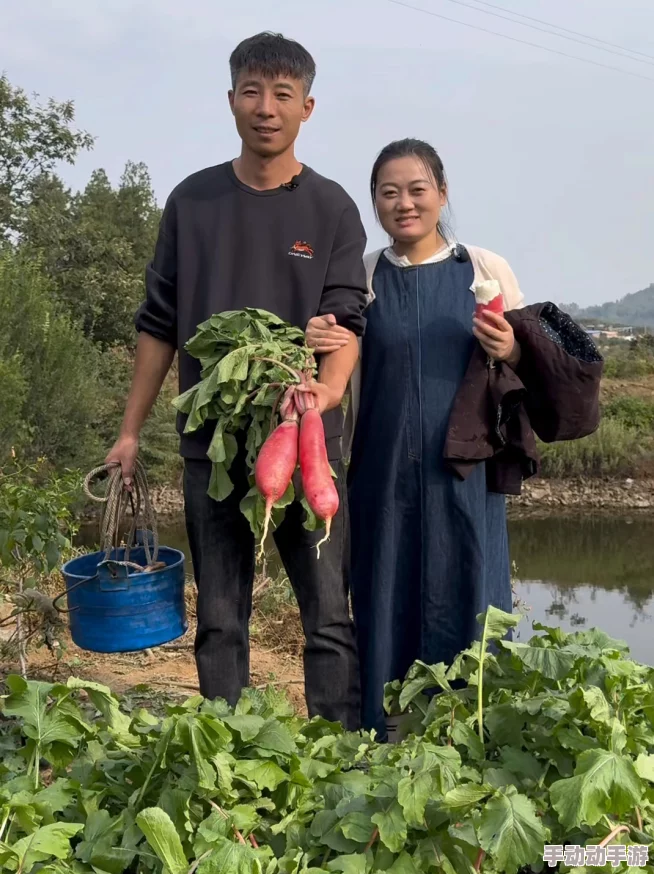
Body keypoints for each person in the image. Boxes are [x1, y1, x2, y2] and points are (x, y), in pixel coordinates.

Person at [106, 32, 367, 730]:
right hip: (213, 448)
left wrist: (326, 394)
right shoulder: (193, 202)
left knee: (330, 616)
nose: (266, 107)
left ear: (307, 107)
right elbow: (158, 324)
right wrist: (130, 432)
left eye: (283, 94)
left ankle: (338, 753)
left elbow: (347, 324)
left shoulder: (333, 209)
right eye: (252, 91)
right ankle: (226, 754)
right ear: (231, 100)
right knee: (221, 618)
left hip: (305, 440)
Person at [306, 138, 527, 737]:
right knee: (385, 591)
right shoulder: (365, 276)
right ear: (374, 204)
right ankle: (387, 735)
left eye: (417, 190)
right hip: (382, 471)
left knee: (471, 589)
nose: (404, 203)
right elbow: (340, 363)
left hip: (467, 470)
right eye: (388, 192)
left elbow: (523, 369)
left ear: (442, 194)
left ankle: (474, 731)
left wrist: (509, 349)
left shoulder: (485, 269)